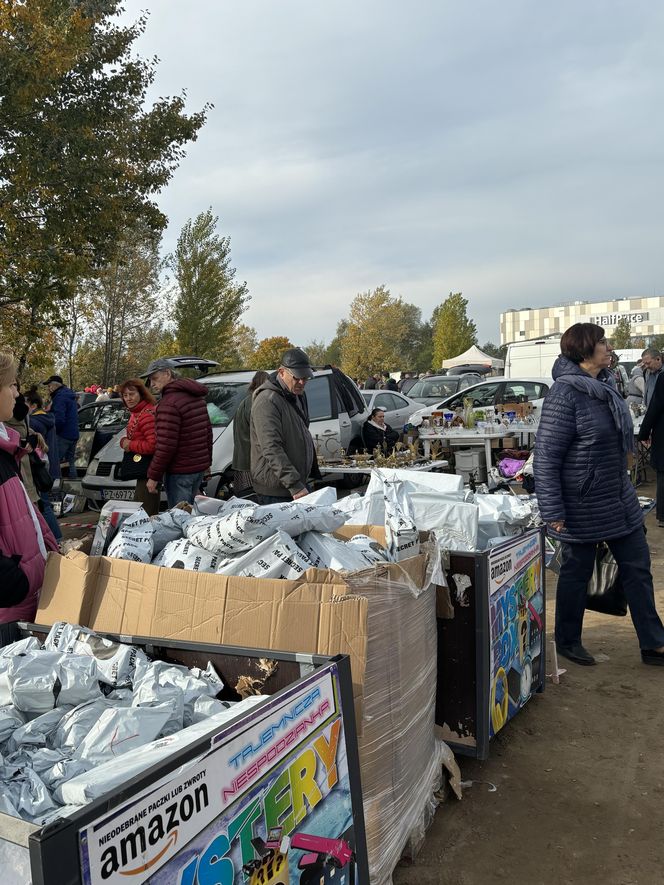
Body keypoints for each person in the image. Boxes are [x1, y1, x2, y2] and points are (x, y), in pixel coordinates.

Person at [534, 323, 664, 667]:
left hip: (617, 495)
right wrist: (553, 511)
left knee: (637, 567)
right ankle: (566, 639)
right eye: (603, 342)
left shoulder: (603, 385)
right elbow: (546, 456)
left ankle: (654, 643)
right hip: (581, 502)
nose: (609, 347)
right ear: (584, 350)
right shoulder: (564, 394)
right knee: (577, 571)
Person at [0, 352, 58, 622]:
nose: (16, 394)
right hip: (10, 611)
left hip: (25, 604)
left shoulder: (6, 450)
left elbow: (26, 515)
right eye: (11, 385)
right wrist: (18, 584)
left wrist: (49, 549)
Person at [250, 347, 317, 504]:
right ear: (281, 372)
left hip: (296, 483)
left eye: (306, 378)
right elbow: (271, 447)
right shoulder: (267, 400)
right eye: (297, 377)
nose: (302, 382)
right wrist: (294, 485)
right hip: (276, 490)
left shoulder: (298, 395)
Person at [142, 359, 212, 508]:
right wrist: (207, 463)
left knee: (180, 520)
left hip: (180, 472)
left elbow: (166, 445)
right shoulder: (195, 397)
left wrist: (153, 476)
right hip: (197, 468)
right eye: (150, 380)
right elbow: (207, 432)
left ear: (167, 373)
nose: (152, 384)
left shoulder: (168, 404)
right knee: (193, 517)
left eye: (154, 378)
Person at [25, 388, 62, 542]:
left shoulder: (34, 422)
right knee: (45, 504)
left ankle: (57, 538)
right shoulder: (46, 418)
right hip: (47, 466)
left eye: (25, 403)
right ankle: (56, 537)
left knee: (44, 505)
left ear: (33, 405)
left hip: (39, 469)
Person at [119, 379, 159, 516]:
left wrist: (130, 444)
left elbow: (153, 445)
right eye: (125, 395)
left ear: (141, 394)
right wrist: (125, 441)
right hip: (144, 470)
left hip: (148, 470)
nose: (128, 398)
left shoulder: (146, 414)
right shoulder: (136, 412)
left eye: (132, 394)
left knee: (145, 512)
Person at [232, 370, 269, 498]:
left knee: (246, 500)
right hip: (251, 461)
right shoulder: (257, 402)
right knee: (253, 500)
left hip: (242, 460)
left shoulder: (246, 401)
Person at [43, 374, 79, 479]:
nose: (48, 389)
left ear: (55, 385)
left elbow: (59, 419)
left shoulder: (60, 397)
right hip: (73, 434)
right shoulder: (69, 394)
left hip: (63, 435)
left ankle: (53, 488)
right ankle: (73, 488)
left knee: (54, 462)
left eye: (49, 386)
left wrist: (52, 432)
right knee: (70, 462)